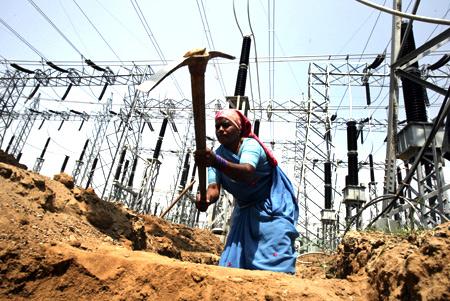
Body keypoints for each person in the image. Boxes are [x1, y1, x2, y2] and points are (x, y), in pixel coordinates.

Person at [194, 108, 299, 274]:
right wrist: (205, 198)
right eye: (217, 126)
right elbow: (213, 189)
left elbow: (247, 172)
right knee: (235, 264)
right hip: (245, 209)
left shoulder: (251, 145)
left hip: (271, 204)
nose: (220, 129)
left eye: (226, 125)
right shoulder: (217, 156)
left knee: (276, 255)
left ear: (238, 128)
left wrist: (216, 162)